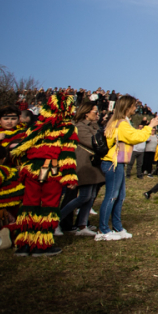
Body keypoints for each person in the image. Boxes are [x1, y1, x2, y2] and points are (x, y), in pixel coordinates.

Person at [10, 92, 79, 256]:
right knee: (49, 206)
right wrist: (69, 176)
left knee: (29, 204)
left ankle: (25, 244)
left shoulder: (36, 125)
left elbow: (24, 148)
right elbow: (67, 154)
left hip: (32, 169)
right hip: (52, 170)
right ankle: (41, 245)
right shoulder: (68, 128)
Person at [98, 95, 158, 242]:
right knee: (112, 196)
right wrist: (150, 126)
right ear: (127, 108)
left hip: (118, 162)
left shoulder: (122, 122)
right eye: (133, 106)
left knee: (120, 196)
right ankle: (103, 229)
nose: (135, 109)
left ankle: (117, 226)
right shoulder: (121, 124)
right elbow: (135, 137)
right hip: (113, 163)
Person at [60, 100, 104, 236]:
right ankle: (57, 220)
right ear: (86, 113)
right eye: (95, 112)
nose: (97, 114)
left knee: (90, 197)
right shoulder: (80, 126)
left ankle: (82, 224)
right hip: (84, 164)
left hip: (93, 165)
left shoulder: (94, 125)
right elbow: (93, 142)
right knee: (83, 196)